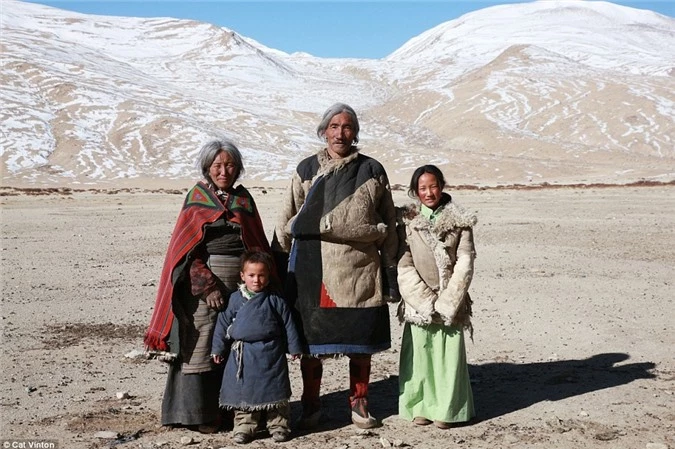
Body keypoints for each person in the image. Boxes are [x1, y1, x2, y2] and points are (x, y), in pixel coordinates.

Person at [272, 102, 399, 429]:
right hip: (313, 271)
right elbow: (286, 219)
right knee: (312, 345)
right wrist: (281, 266)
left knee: (360, 343)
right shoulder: (305, 169)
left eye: (347, 127)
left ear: (355, 132)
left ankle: (359, 404)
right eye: (334, 126)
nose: (340, 133)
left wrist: (390, 273)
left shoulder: (372, 170)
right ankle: (311, 405)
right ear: (324, 131)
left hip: (360, 269)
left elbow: (389, 223)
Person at [144, 139, 273, 433]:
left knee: (235, 342)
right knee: (201, 343)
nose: (224, 171)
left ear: (238, 168)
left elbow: (255, 245)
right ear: (207, 168)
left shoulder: (244, 200)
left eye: (229, 165)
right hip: (203, 288)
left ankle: (234, 410)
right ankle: (198, 414)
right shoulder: (197, 197)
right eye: (217, 165)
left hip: (242, 287)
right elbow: (186, 253)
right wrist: (207, 286)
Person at [396, 164, 477, 429]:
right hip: (417, 301)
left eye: (433, 186)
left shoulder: (461, 220)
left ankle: (447, 410)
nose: (428, 193)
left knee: (448, 359)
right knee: (421, 356)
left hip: (449, 300)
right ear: (415, 192)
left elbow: (465, 261)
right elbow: (403, 263)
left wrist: (447, 301)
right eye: (422, 188)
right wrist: (422, 300)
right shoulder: (407, 221)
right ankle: (420, 406)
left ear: (441, 186)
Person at [211, 250, 303, 444]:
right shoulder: (235, 299)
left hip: (271, 353)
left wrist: (294, 348)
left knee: (275, 391)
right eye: (251, 275)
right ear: (242, 276)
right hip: (243, 355)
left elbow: (288, 324)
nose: (256, 280)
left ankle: (279, 425)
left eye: (261, 275)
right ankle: (245, 427)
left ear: (268, 276)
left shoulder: (275, 300)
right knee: (244, 392)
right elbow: (222, 324)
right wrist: (217, 349)